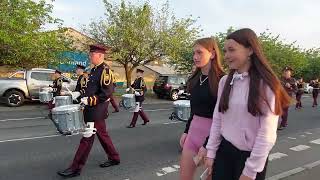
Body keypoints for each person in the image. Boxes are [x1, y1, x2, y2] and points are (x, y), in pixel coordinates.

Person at [204, 28, 291, 180]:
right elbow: (218, 119)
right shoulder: (225, 81)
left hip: (250, 158)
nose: (226, 56)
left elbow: (267, 134)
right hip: (223, 152)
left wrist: (250, 171)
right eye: (225, 51)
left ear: (250, 50)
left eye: (231, 50)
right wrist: (210, 152)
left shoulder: (267, 85)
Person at [57, 44, 120, 178]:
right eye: (90, 54)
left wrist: (90, 100)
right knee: (102, 135)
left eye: (92, 54)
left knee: (86, 139)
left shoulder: (105, 71)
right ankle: (114, 157)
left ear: (100, 55)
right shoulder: (94, 70)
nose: (90, 56)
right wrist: (79, 94)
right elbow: (90, 89)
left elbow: (107, 93)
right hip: (92, 110)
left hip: (96, 110)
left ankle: (75, 168)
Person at [179, 37, 225, 180]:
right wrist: (186, 131)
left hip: (213, 138)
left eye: (199, 53)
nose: (195, 57)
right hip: (193, 134)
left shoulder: (222, 80)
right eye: (194, 53)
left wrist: (207, 145)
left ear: (212, 54)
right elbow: (194, 110)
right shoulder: (194, 79)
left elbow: (223, 116)